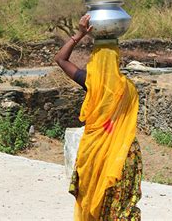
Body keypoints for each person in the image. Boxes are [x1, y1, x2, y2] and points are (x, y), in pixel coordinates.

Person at [55, 14, 143, 221]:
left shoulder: (90, 83)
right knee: (121, 207)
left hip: (94, 152)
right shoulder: (128, 89)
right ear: (117, 59)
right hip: (123, 154)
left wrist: (79, 35)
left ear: (95, 60)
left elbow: (60, 59)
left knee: (94, 199)